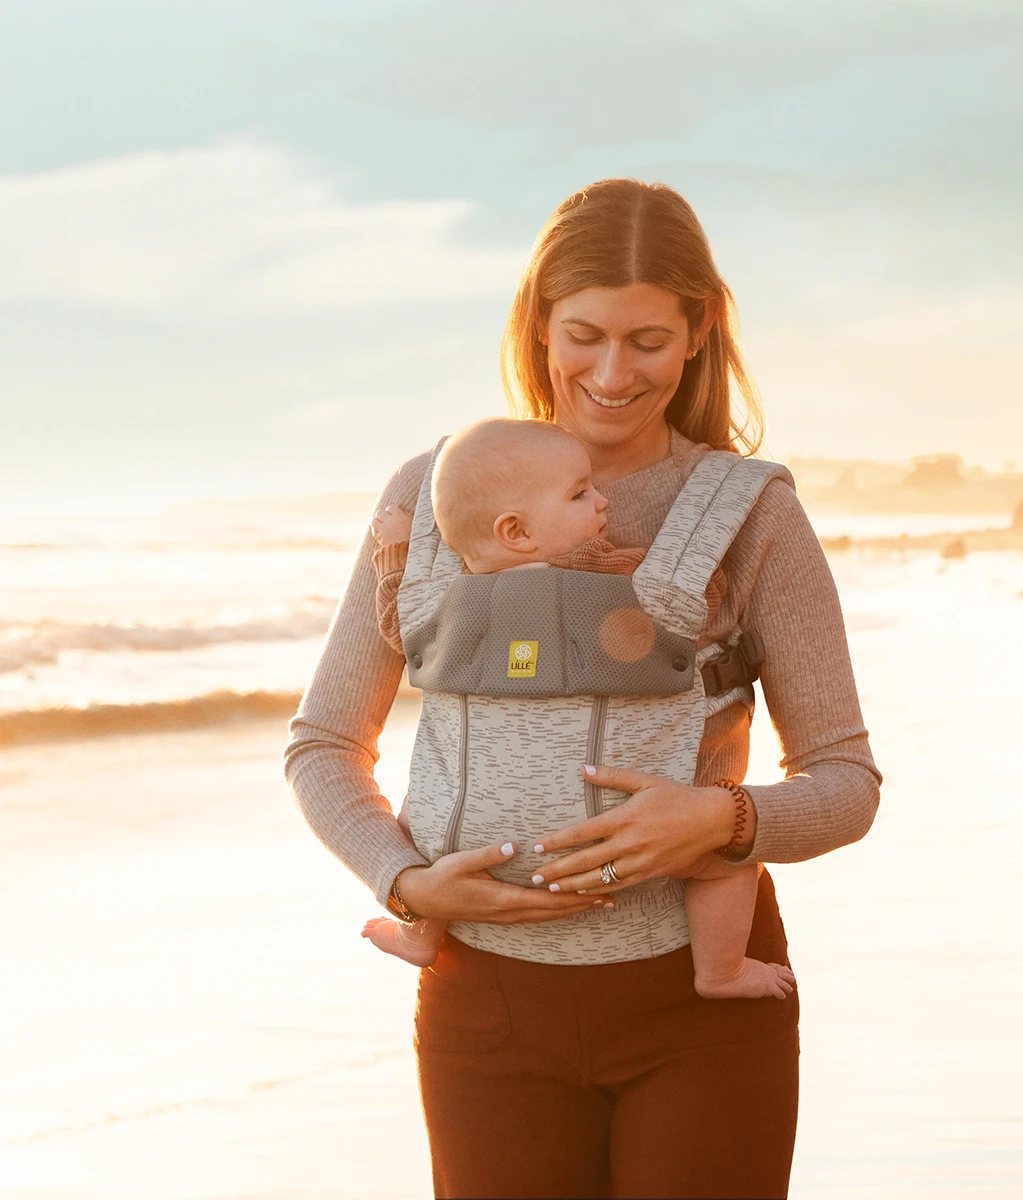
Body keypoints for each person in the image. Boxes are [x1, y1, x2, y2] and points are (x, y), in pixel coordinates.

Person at [285, 178, 881, 1199]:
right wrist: (405, 882)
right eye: (585, 335)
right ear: (539, 327)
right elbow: (325, 744)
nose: (611, 373)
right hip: (486, 1015)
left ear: (697, 331)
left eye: (648, 340)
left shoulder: (751, 515)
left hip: (697, 1017)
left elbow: (845, 782)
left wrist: (719, 821)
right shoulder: (431, 498)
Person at [359, 416, 795, 1001]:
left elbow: (396, 622)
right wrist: (696, 566)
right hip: (612, 831)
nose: (602, 501)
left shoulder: (447, 606)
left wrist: (398, 553)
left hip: (477, 837)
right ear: (517, 531)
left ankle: (419, 936)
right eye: (580, 494)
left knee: (424, 813)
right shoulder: (600, 567)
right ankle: (721, 971)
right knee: (724, 864)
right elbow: (682, 604)